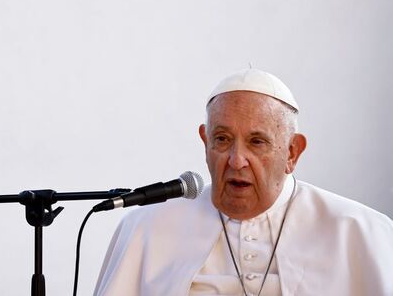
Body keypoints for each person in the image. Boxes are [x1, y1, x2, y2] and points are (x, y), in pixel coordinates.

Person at [94, 68, 393, 296]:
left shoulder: (358, 231)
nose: (237, 160)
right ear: (205, 142)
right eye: (222, 139)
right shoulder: (147, 228)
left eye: (257, 142)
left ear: (292, 152)